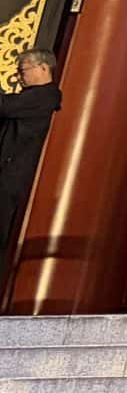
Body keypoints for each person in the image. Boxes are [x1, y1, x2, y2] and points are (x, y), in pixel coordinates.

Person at [0, 49, 60, 273]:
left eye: (22, 70)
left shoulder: (45, 96)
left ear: (43, 68)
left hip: (10, 180)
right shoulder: (29, 98)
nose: (18, 76)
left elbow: (4, 106)